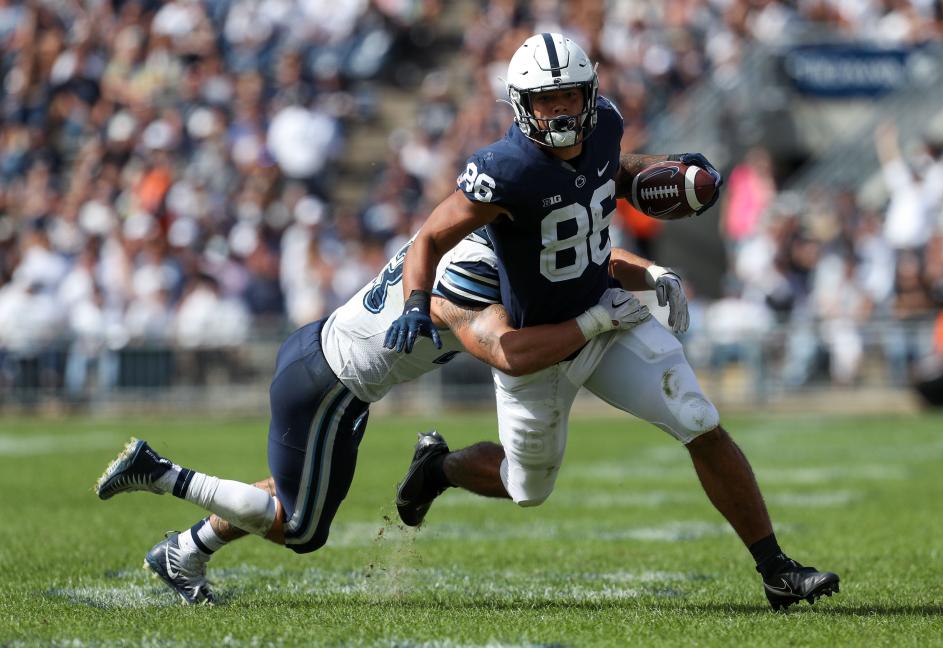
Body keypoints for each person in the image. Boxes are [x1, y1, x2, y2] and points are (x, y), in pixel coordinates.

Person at [387, 33, 840, 611]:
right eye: (547, 100)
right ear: (521, 104)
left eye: (571, 96)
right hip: (542, 343)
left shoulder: (603, 125)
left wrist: (669, 174)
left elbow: (615, 171)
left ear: (590, 93)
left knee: (698, 417)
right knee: (528, 489)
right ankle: (439, 469)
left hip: (609, 318)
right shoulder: (502, 171)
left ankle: (776, 568)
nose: (561, 111)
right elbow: (429, 236)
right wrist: (413, 302)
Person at [94, 230, 651, 605]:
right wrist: (600, 317)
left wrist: (650, 274)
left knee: (293, 492)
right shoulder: (469, 281)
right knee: (303, 529)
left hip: (323, 362)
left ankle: (185, 554)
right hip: (329, 386)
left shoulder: (468, 241)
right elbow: (510, 351)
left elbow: (571, 262)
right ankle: (161, 472)